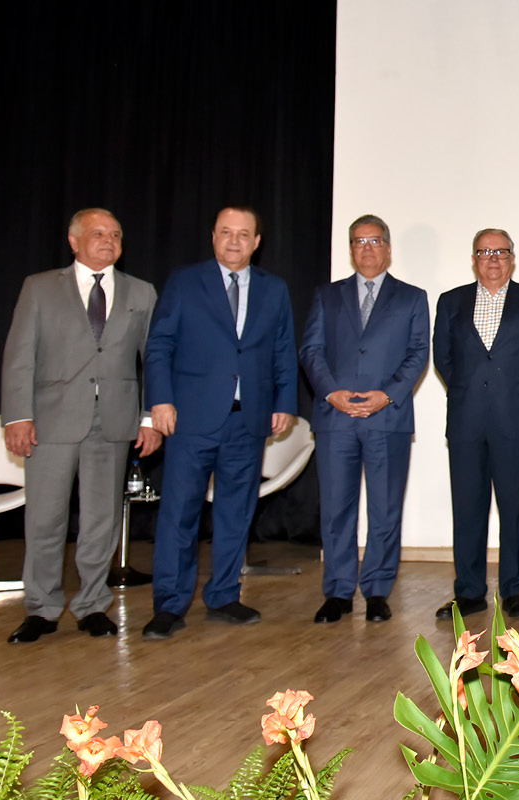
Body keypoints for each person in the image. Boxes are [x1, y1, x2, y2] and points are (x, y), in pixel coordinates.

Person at [0, 208, 161, 643]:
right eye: (97, 233)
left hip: (114, 420)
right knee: (45, 519)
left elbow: (157, 361)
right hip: (50, 420)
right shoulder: (39, 288)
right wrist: (17, 416)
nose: (108, 240)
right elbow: (19, 356)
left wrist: (150, 417)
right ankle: (42, 609)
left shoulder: (141, 292)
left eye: (115, 234)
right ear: (74, 241)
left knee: (101, 519)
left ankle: (92, 604)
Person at [142, 206, 298, 640]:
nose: (234, 241)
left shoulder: (274, 289)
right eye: (226, 233)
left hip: (247, 420)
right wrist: (161, 400)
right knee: (179, 513)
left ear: (257, 241)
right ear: (213, 236)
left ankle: (225, 594)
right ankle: (169, 605)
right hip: (191, 418)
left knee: (236, 512)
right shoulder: (185, 282)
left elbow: (284, 350)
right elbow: (159, 346)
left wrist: (284, 401)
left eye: (244, 234)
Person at [299, 214, 429, 624]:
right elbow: (311, 351)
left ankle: (376, 590)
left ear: (388, 249)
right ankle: (337, 592)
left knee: (385, 509)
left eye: (375, 241)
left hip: (386, 418)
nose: (367, 248)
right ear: (350, 249)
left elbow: (418, 354)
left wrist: (386, 394)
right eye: (359, 241)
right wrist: (332, 392)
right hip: (335, 418)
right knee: (337, 509)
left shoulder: (412, 297)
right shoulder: (326, 295)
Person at [433, 228, 519, 621]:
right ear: (473, 259)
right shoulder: (451, 302)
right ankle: (468, 592)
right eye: (484, 252)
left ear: (512, 258)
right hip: (466, 419)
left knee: (516, 509)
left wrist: (517, 389)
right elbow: (444, 358)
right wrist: (472, 390)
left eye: (501, 251)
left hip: (515, 418)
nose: (493, 259)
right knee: (467, 509)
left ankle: (515, 592)